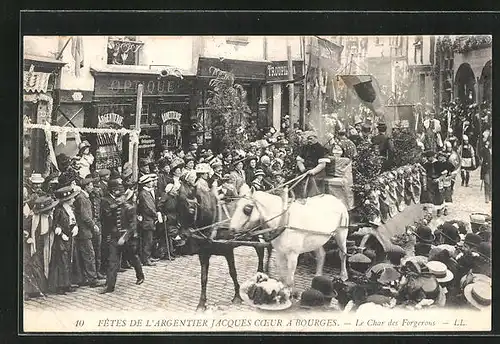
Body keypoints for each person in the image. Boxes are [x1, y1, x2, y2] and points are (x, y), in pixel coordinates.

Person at [99, 185, 145, 294]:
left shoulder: (130, 208)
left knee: (132, 258)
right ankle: (110, 286)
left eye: (120, 197)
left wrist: (124, 238)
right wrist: (112, 235)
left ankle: (140, 276)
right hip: (115, 238)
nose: (118, 199)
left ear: (124, 197)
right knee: (112, 262)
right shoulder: (113, 208)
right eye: (116, 197)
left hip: (127, 239)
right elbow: (110, 223)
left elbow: (133, 226)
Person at [23, 195, 58, 299]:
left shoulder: (50, 217)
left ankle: (45, 287)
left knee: (45, 264)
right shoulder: (32, 218)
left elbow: (53, 226)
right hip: (33, 245)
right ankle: (35, 290)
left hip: (46, 245)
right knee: (35, 266)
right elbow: (24, 229)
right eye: (49, 209)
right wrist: (28, 238)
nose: (52, 210)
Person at [48, 185, 80, 295]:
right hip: (61, 240)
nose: (74, 200)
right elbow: (54, 225)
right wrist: (61, 234)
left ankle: (67, 284)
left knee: (68, 260)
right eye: (72, 198)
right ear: (67, 200)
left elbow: (73, 221)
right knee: (61, 262)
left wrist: (75, 226)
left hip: (70, 237)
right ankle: (60, 286)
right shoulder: (59, 210)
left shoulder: (70, 209)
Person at [73, 177, 104, 288]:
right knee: (89, 254)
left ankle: (85, 277)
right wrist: (93, 225)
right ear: (86, 186)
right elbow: (85, 216)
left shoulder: (83, 197)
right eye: (91, 185)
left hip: (84, 231)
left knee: (86, 254)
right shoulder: (82, 198)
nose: (92, 187)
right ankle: (92, 279)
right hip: (84, 231)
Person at [295, 132, 330, 198]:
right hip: (305, 170)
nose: (309, 141)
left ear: (316, 138)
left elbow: (322, 164)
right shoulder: (304, 148)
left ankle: (313, 198)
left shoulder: (321, 149)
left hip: (317, 171)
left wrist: (313, 171)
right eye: (308, 139)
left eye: (311, 139)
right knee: (297, 178)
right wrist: (302, 169)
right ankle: (300, 198)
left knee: (312, 180)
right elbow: (299, 160)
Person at [137, 174, 161, 266]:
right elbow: (148, 207)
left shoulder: (147, 193)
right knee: (147, 240)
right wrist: (156, 215)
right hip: (147, 220)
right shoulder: (144, 194)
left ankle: (148, 256)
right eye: (150, 182)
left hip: (149, 220)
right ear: (146, 184)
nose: (152, 183)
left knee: (150, 239)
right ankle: (145, 259)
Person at [432, 151, 455, 216]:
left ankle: (446, 209)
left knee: (447, 195)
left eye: (441, 156)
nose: (440, 157)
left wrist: (450, 176)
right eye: (439, 156)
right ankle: (439, 209)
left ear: (445, 157)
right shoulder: (436, 164)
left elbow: (454, 172)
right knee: (439, 195)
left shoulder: (449, 164)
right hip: (438, 181)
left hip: (446, 181)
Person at [479, 139, 492, 203]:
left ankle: (490, 196)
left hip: (491, 169)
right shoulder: (484, 149)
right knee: (487, 183)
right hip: (486, 169)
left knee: (491, 183)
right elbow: (481, 158)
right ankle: (486, 197)